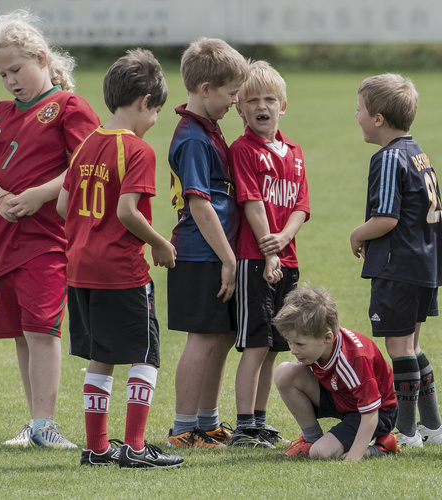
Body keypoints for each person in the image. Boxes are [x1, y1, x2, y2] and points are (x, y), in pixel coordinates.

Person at [0, 9, 101, 449]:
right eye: (2, 74)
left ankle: (45, 425)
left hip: (48, 240)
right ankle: (34, 422)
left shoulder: (69, 106)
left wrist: (40, 194)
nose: (10, 81)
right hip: (3, 241)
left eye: (16, 69)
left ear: (41, 58)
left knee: (43, 328)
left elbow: (85, 166)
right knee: (23, 332)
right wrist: (0, 198)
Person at [56, 49, 182, 469]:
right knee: (145, 354)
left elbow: (62, 206)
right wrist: (161, 244)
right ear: (145, 101)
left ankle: (96, 449)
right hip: (121, 270)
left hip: (80, 269)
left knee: (102, 354)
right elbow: (127, 212)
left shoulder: (85, 143)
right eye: (157, 111)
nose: (154, 121)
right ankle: (135, 445)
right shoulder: (138, 150)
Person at [349, 73, 442, 447]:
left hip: (399, 265)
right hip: (424, 264)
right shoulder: (417, 152)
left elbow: (386, 219)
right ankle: (433, 428)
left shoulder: (388, 158)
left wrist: (357, 233)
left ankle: (405, 432)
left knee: (398, 349)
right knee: (412, 346)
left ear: (378, 118)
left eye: (359, 109)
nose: (355, 115)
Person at [164, 38, 250, 449]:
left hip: (215, 252)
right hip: (201, 253)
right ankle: (182, 428)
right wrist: (229, 258)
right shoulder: (194, 138)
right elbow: (200, 204)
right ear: (204, 89)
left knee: (220, 336)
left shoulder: (208, 129)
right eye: (231, 93)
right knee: (201, 337)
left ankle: (207, 422)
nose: (235, 101)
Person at [226, 60, 309, 447]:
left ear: (283, 105)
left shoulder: (294, 151)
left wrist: (286, 238)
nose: (262, 106)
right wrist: (270, 249)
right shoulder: (243, 149)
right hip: (256, 259)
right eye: (252, 100)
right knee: (256, 342)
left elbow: (301, 206)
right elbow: (251, 202)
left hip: (286, 257)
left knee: (276, 344)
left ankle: (259, 421)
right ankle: (244, 424)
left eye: (270, 99)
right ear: (240, 108)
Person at [272, 286, 399, 461]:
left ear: (327, 337)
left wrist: (352, 459)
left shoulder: (354, 359)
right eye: (290, 342)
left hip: (377, 413)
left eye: (299, 344)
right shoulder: (317, 344)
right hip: (341, 398)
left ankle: (384, 446)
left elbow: (371, 414)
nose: (293, 350)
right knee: (284, 373)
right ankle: (311, 440)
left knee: (321, 453)